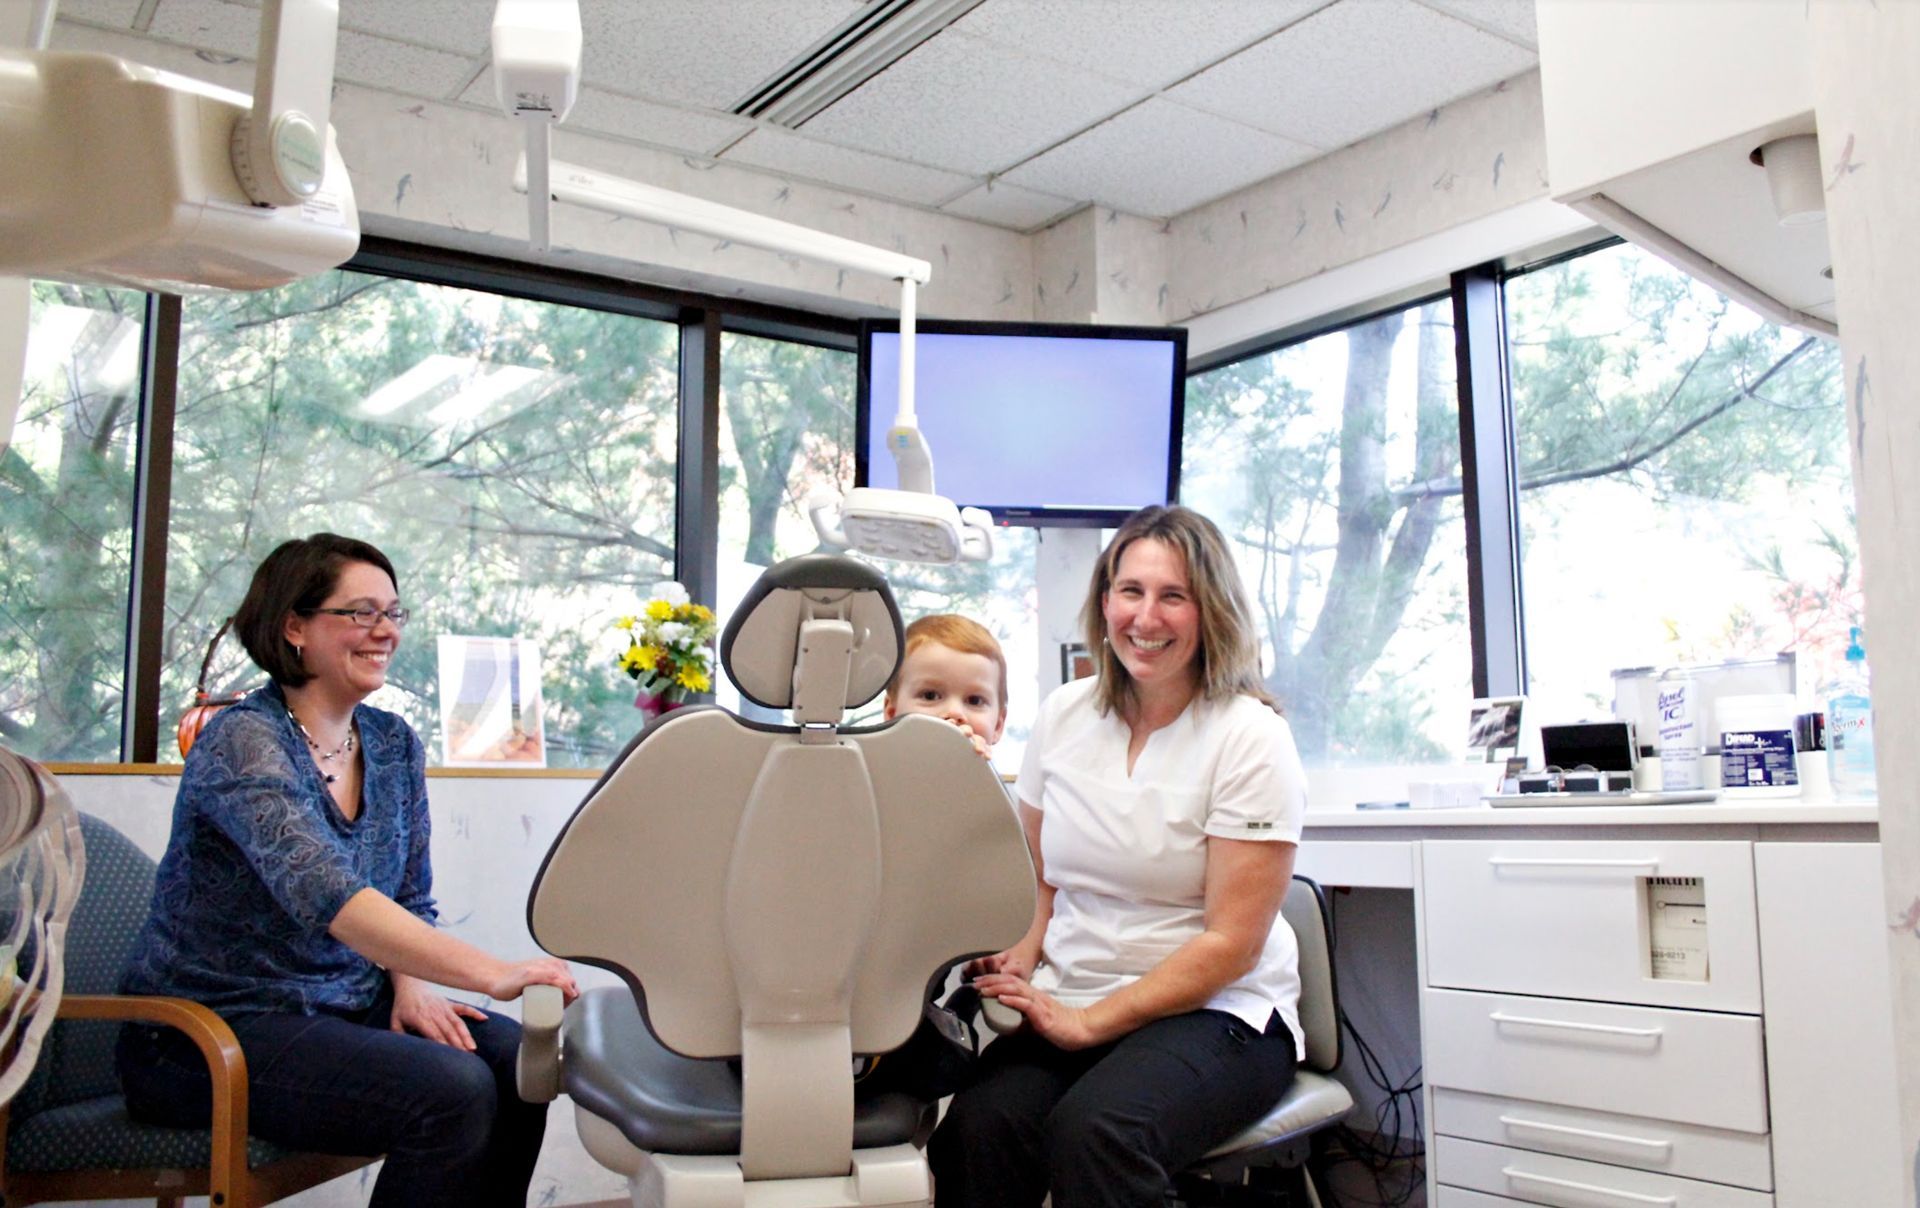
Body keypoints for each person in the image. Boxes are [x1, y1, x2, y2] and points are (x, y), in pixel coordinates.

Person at [116, 533, 580, 1208]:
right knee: (450, 1092)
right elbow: (331, 897)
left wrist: (412, 985)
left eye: (393, 613)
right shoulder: (244, 741)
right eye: (361, 613)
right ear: (294, 627)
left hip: (337, 1005)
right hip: (206, 1031)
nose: (385, 631)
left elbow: (407, 893)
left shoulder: (392, 742)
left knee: (513, 1063)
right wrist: (493, 974)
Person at [928, 505, 1308, 1208]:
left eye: (1174, 596)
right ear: (1104, 601)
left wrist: (1089, 1025)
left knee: (1098, 1134)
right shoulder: (1066, 716)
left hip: (1220, 1013)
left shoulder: (1250, 737)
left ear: (1210, 610)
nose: (1146, 617)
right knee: (976, 1128)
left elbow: (1231, 944)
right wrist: (1023, 950)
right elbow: (1040, 874)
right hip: (1075, 991)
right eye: (1130, 591)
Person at [882, 613, 1009, 760]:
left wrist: (977, 769)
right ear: (891, 713)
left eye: (974, 700)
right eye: (930, 696)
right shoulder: (868, 771)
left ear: (998, 726)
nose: (954, 712)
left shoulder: (985, 780)